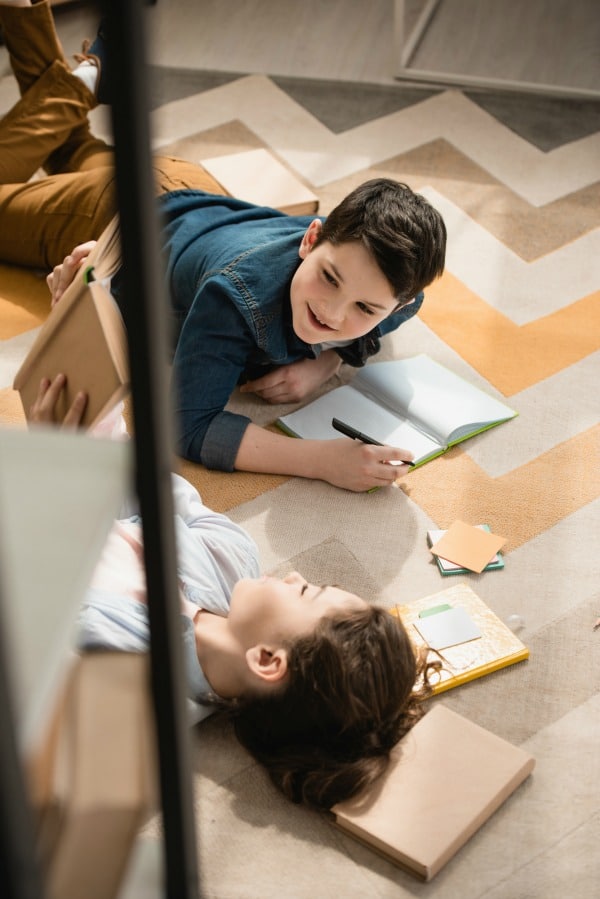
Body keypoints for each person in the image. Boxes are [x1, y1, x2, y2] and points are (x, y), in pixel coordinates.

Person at [0, 0, 447, 492]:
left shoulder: (403, 291)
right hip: (118, 218)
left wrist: (326, 362)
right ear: (312, 237)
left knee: (73, 149)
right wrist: (322, 460)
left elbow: (394, 307)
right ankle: (84, 77)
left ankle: (64, 49)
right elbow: (188, 424)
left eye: (365, 307)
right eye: (329, 277)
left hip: (194, 195)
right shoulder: (236, 298)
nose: (333, 314)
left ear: (397, 303)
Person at [29, 372, 438, 809]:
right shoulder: (232, 557)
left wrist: (50, 471)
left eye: (305, 594)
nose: (296, 577)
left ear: (266, 659)